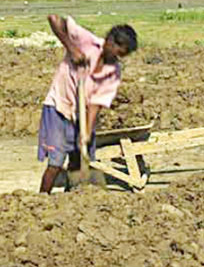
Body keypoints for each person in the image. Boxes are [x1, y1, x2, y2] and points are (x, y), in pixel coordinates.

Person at [38, 14, 137, 194]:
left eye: (122, 55)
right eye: (117, 51)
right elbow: (53, 19)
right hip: (58, 106)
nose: (117, 57)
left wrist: (86, 131)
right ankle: (41, 199)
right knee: (55, 162)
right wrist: (72, 48)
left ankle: (73, 199)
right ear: (109, 41)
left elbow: (97, 103)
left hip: (80, 114)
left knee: (78, 160)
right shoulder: (86, 41)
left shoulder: (113, 71)